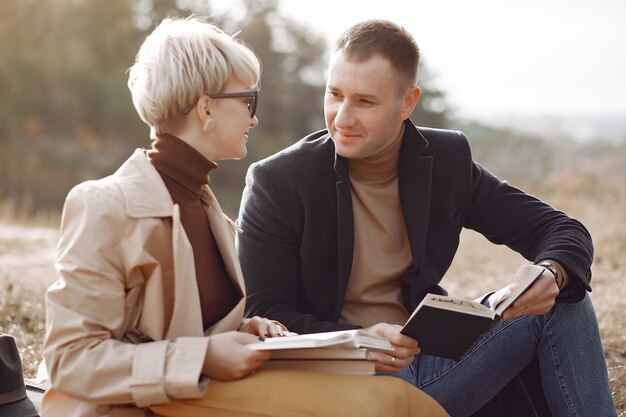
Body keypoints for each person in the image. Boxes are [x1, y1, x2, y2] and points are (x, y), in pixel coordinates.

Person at [42, 17, 448, 417]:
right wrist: (202, 356)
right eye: (247, 101)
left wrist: (241, 329)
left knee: (398, 400)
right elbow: (71, 359)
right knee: (384, 404)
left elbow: (178, 323)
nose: (254, 118)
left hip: (197, 395)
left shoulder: (205, 207)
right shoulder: (105, 205)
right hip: (136, 407)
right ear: (206, 109)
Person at [237, 19, 617, 417]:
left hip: (434, 359)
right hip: (347, 370)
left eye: (364, 102)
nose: (342, 118)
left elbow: (561, 229)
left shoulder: (446, 158)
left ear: (408, 102)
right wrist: (358, 340)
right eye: (335, 95)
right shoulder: (278, 180)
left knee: (565, 297)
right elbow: (266, 312)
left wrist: (551, 272)